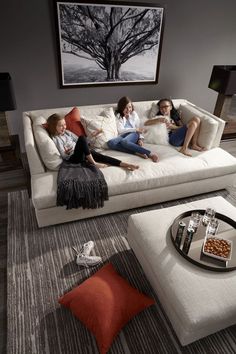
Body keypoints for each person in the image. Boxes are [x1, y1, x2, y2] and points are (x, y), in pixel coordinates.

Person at [46, 113, 139, 171]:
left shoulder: (67, 133)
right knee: (82, 138)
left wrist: (92, 136)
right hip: (73, 158)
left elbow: (81, 142)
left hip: (82, 153)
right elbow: (64, 155)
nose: (64, 127)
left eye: (64, 125)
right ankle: (94, 163)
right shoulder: (55, 139)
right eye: (60, 126)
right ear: (54, 127)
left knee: (102, 157)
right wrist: (68, 151)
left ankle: (126, 165)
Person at [107, 96, 159, 162]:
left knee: (124, 142)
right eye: (125, 107)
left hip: (134, 134)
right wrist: (134, 129)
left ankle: (149, 154)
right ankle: (137, 152)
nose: (128, 109)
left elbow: (139, 127)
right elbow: (120, 130)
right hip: (123, 135)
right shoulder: (118, 116)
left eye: (130, 107)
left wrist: (140, 139)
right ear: (121, 107)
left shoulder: (134, 114)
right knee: (110, 143)